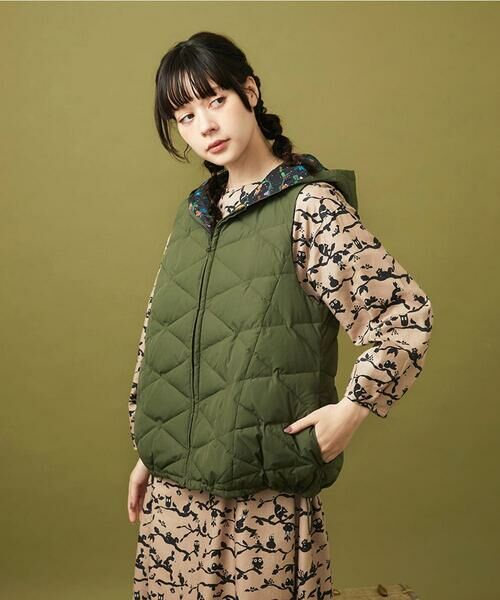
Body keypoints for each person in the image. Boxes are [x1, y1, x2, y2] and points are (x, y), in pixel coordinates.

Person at [126, 31, 434, 599]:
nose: (205, 126)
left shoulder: (309, 207)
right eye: (186, 116)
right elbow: (159, 335)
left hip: (260, 501)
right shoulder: (193, 218)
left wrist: (353, 409)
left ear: (250, 92)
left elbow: (403, 312)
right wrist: (154, 445)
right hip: (172, 500)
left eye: (216, 101)